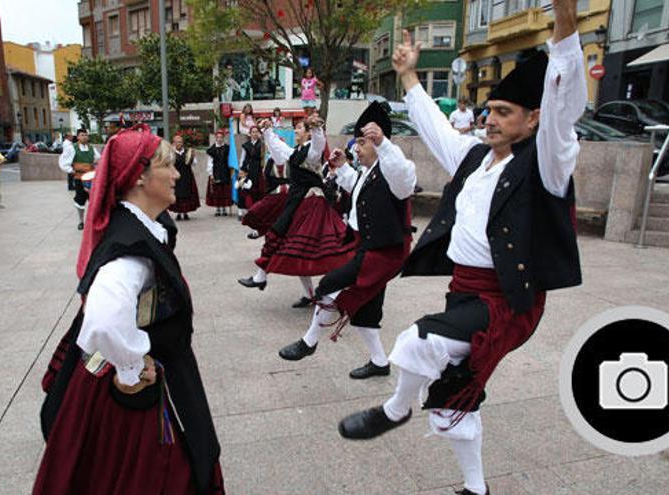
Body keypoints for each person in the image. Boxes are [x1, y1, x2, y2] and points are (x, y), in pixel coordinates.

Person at [337, 1, 586, 493]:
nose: (490, 120)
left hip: (509, 300)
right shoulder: (475, 157)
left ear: (533, 120)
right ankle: (476, 488)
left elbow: (564, 104)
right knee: (455, 396)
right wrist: (408, 77)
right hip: (465, 293)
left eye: (504, 112)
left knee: (416, 341)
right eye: (490, 110)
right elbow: (434, 128)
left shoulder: (548, 163)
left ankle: (394, 411)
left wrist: (565, 25)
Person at [34, 124, 224, 495]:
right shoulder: (130, 249)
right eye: (167, 166)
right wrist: (133, 364)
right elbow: (104, 320)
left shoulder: (142, 227)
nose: (176, 174)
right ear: (139, 176)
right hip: (136, 390)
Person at [277, 102, 417, 380]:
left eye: (362, 143)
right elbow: (358, 188)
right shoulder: (369, 171)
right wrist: (341, 167)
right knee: (367, 310)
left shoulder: (395, 168)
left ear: (378, 142)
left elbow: (404, 180)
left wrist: (384, 144)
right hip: (368, 246)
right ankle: (379, 362)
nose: (356, 148)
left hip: (385, 251)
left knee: (331, 285)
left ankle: (309, 341)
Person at [238, 115, 354, 291]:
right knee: (292, 247)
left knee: (319, 249)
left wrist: (316, 128)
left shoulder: (312, 152)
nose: (295, 130)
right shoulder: (295, 152)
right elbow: (279, 148)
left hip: (311, 204)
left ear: (307, 133)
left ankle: (342, 287)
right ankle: (299, 291)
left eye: (299, 127)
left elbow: (318, 143)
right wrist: (268, 130)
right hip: (298, 203)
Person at [59, 128, 100, 230]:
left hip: (91, 179)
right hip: (79, 178)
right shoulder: (72, 148)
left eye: (86, 135)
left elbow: (99, 159)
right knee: (80, 200)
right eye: (82, 135)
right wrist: (72, 171)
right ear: (77, 137)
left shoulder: (91, 148)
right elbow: (63, 162)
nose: (84, 137)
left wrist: (96, 166)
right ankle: (81, 221)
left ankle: (93, 221)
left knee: (94, 200)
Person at [168, 134, 200, 221]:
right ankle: (178, 213)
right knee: (177, 194)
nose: (179, 144)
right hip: (176, 176)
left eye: (181, 142)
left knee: (187, 193)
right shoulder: (171, 153)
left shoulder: (188, 152)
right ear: (174, 143)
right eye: (177, 142)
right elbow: (168, 164)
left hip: (187, 175)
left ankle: (185, 212)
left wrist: (192, 157)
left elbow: (194, 164)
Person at [206, 129, 232, 216]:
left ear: (223, 138)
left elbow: (230, 160)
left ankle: (224, 208)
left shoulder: (227, 148)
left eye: (221, 137)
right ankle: (218, 208)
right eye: (218, 137)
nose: (219, 139)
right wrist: (211, 174)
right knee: (217, 191)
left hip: (225, 171)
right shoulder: (212, 150)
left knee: (224, 191)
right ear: (215, 138)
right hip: (216, 171)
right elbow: (210, 162)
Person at [239, 126, 266, 209]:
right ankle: (244, 208)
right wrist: (241, 169)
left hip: (258, 168)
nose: (254, 134)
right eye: (253, 132)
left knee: (258, 189)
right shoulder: (246, 145)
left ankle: (257, 208)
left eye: (256, 132)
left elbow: (264, 158)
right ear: (250, 134)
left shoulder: (262, 145)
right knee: (245, 188)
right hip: (247, 168)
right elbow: (242, 158)